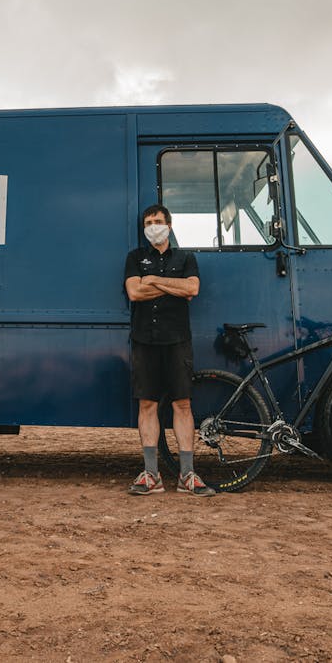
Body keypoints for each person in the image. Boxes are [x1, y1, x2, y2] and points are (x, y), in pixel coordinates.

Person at [123, 205, 215, 497]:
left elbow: (193, 288)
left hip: (177, 341)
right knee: (147, 406)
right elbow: (135, 293)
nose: (153, 227)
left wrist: (154, 280)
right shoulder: (135, 258)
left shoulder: (185, 258)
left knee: (182, 405)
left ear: (169, 225)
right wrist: (174, 287)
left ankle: (187, 475)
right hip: (144, 340)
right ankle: (151, 476)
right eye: (148, 223)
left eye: (158, 222)